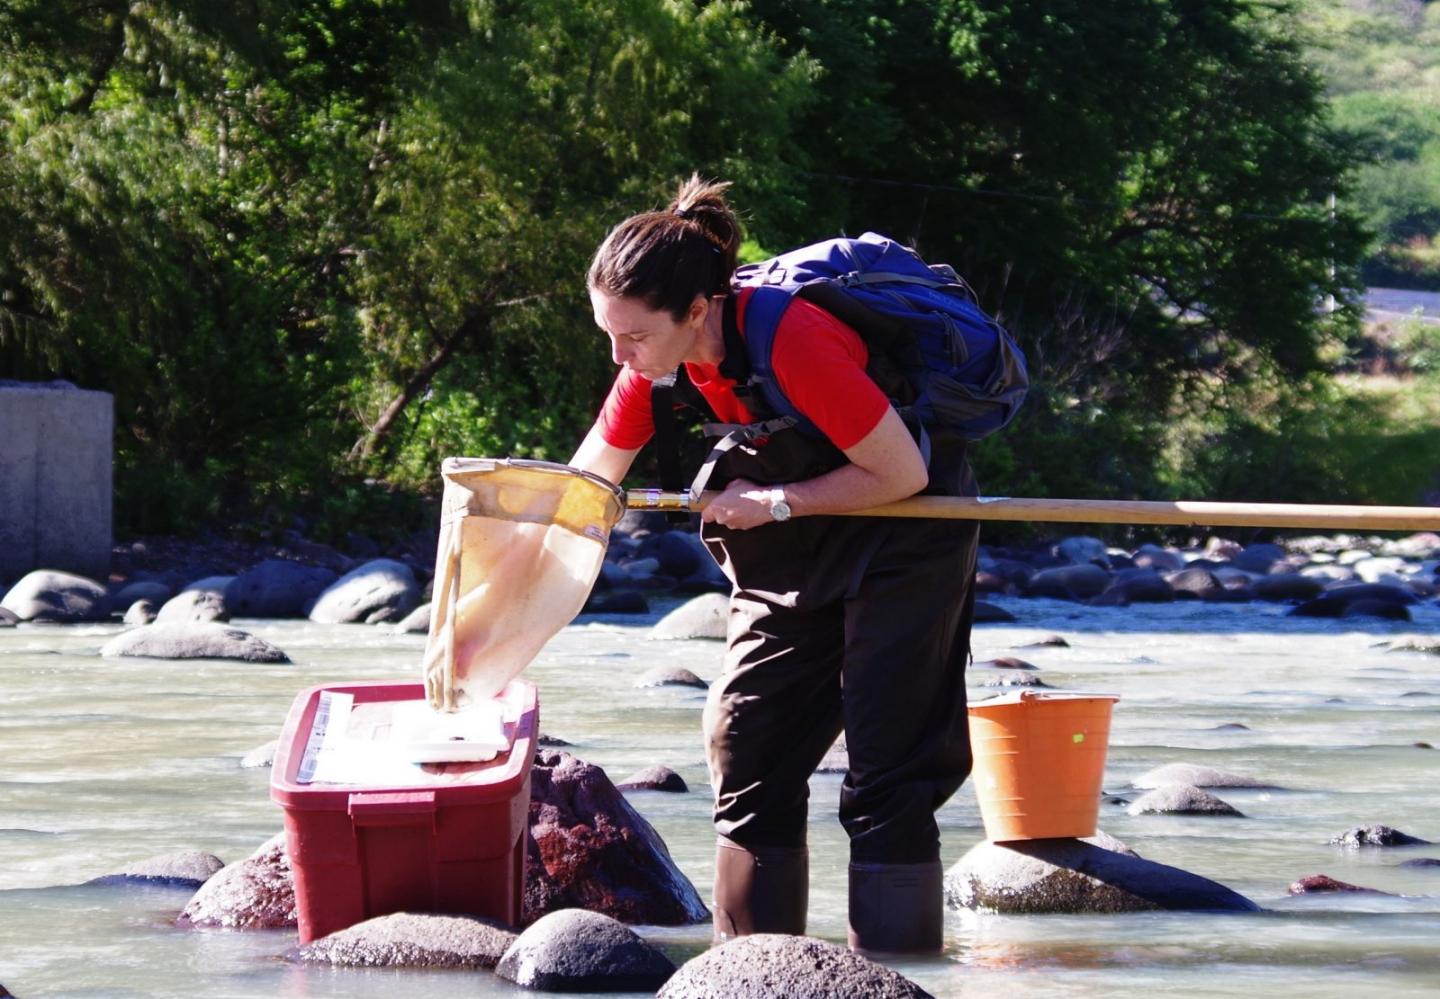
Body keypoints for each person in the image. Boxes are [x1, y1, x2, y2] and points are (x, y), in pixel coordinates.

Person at [569, 175, 979, 954]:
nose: (620, 356)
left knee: (887, 767)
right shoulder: (651, 364)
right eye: (608, 334)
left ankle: (891, 971)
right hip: (788, 550)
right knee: (746, 743)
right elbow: (585, 489)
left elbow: (900, 474)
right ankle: (753, 968)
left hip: (905, 532)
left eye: (634, 337)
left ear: (697, 310)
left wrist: (778, 500)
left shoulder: (793, 337)